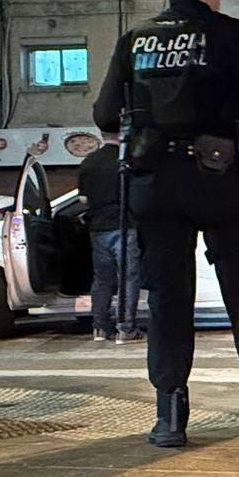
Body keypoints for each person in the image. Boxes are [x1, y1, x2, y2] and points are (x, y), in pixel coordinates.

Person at [93, 0, 239, 448]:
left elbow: (104, 113)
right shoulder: (230, 34)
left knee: (166, 299)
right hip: (220, 178)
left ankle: (170, 420)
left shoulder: (134, 40)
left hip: (156, 183)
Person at [77, 135, 144, 343]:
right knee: (127, 277)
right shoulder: (129, 160)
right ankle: (126, 329)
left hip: (98, 228)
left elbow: (83, 199)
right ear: (122, 135)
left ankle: (100, 328)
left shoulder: (88, 162)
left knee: (102, 279)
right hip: (126, 226)